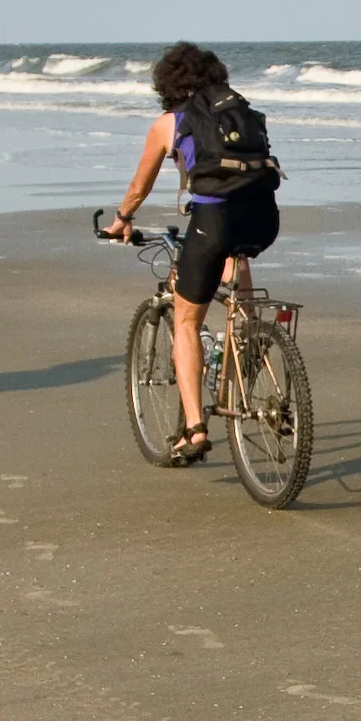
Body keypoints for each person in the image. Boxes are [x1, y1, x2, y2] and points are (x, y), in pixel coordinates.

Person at [98, 43, 280, 464]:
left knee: (185, 319)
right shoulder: (243, 115)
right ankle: (249, 338)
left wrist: (123, 219)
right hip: (263, 219)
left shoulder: (169, 123)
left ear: (166, 83)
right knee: (235, 259)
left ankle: (195, 429)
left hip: (212, 223)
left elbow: (139, 186)